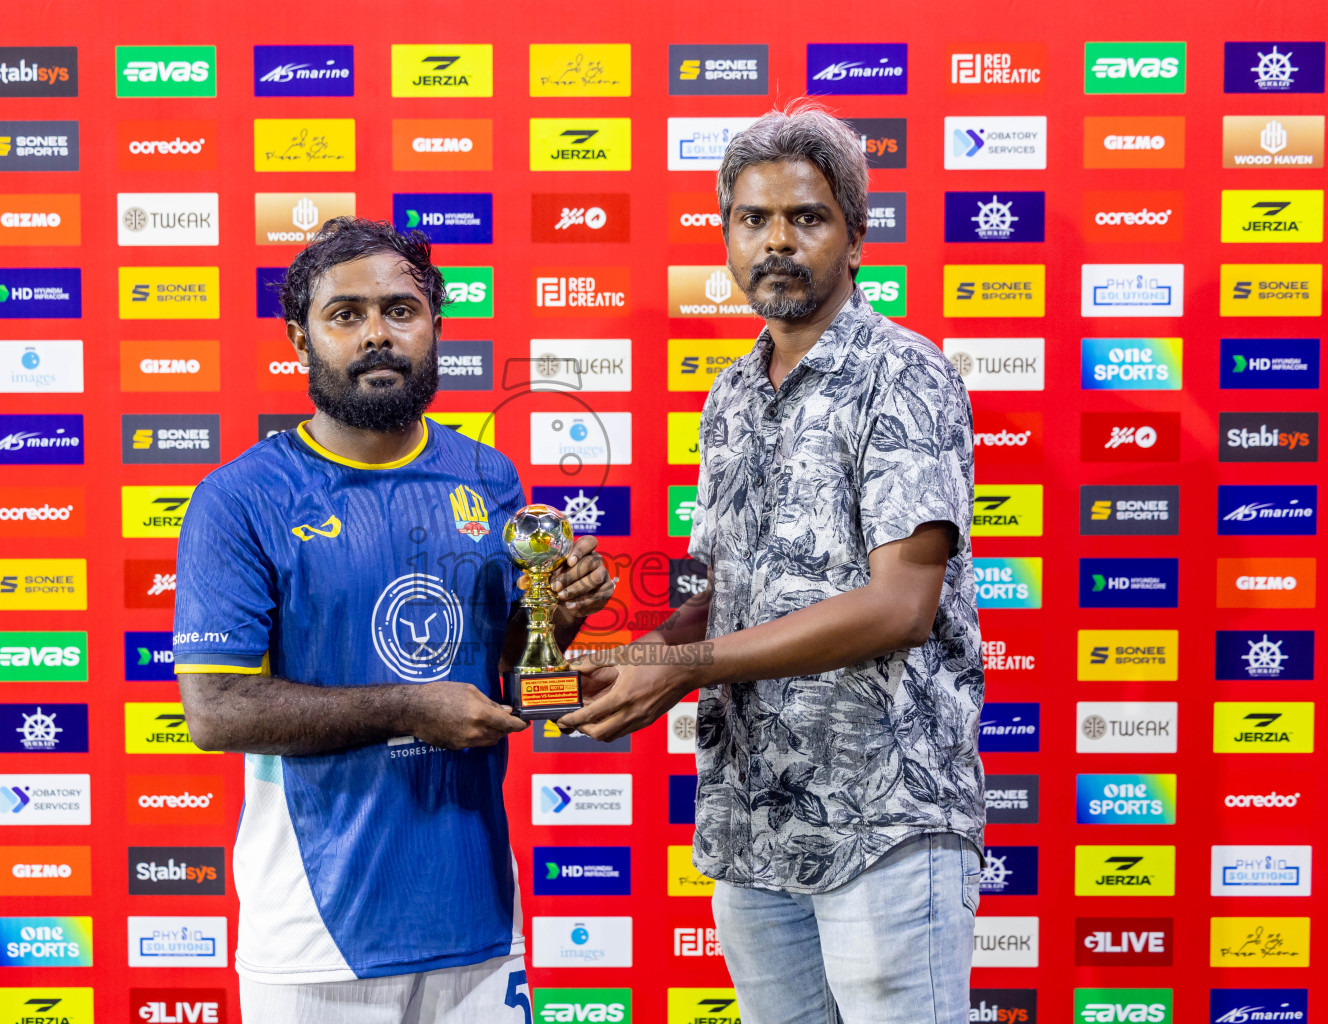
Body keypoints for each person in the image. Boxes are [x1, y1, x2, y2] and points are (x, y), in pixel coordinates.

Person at [559, 102, 985, 1024]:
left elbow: (898, 607)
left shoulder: (904, 372)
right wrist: (641, 665)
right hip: (754, 817)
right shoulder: (730, 397)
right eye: (753, 220)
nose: (777, 242)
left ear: (857, 237)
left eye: (807, 218)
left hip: (887, 818)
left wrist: (683, 665)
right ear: (726, 238)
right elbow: (721, 589)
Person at [173, 218, 614, 1024]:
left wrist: (565, 615)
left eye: (399, 311)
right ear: (300, 342)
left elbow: (510, 670)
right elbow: (216, 710)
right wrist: (413, 709)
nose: (377, 334)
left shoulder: (489, 476)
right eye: (345, 315)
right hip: (316, 935)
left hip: (477, 917)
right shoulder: (241, 498)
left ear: (436, 326)